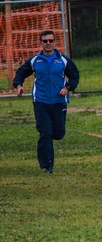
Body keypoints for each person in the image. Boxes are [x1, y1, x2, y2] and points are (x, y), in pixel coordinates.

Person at [12, 30, 80, 174]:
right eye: (45, 41)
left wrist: (67, 88)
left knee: (59, 133)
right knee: (46, 132)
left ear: (55, 42)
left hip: (59, 102)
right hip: (41, 102)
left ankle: (50, 147)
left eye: (50, 41)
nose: (48, 43)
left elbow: (74, 76)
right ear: (41, 43)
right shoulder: (35, 60)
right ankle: (48, 165)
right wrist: (18, 85)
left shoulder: (63, 59)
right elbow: (21, 73)